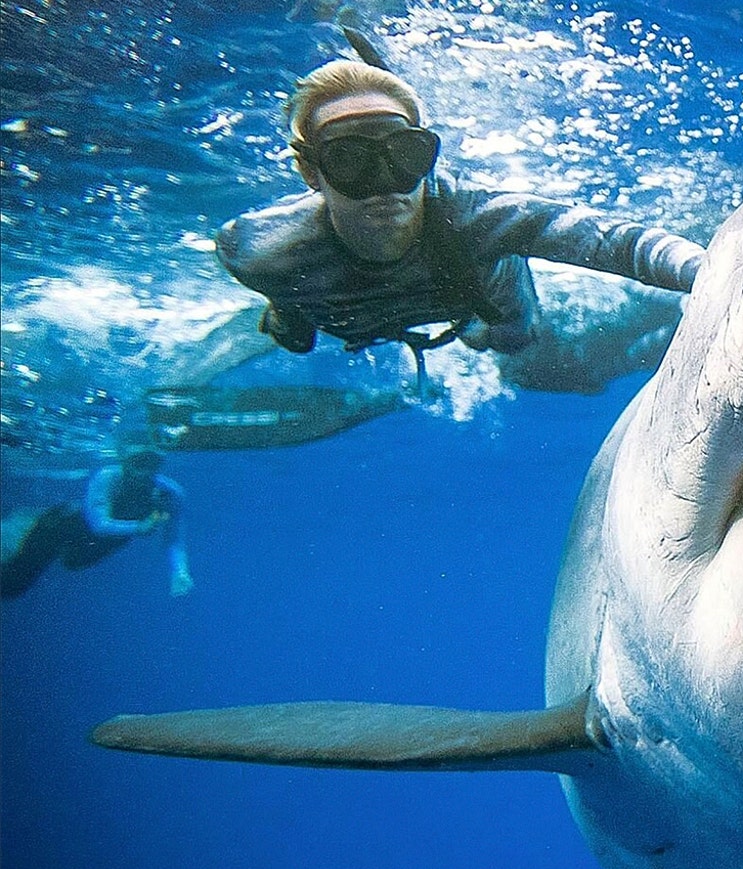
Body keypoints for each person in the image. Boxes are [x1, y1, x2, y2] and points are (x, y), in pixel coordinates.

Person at [215, 59, 706, 393]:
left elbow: (614, 241)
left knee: (512, 342)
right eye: (350, 160)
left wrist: (709, 272)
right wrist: (288, 316)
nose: (385, 183)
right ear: (310, 173)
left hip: (476, 299)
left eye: (405, 155)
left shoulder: (475, 217)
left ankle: (477, 327)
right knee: (293, 338)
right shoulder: (257, 250)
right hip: (348, 312)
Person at [1, 446, 192, 599]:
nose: (144, 473)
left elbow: (174, 537)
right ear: (125, 461)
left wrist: (180, 571)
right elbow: (98, 523)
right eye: (139, 463)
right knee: (13, 583)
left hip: (94, 545)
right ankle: (21, 525)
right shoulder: (107, 476)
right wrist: (138, 527)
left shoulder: (170, 493)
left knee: (72, 563)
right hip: (61, 528)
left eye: (152, 464)